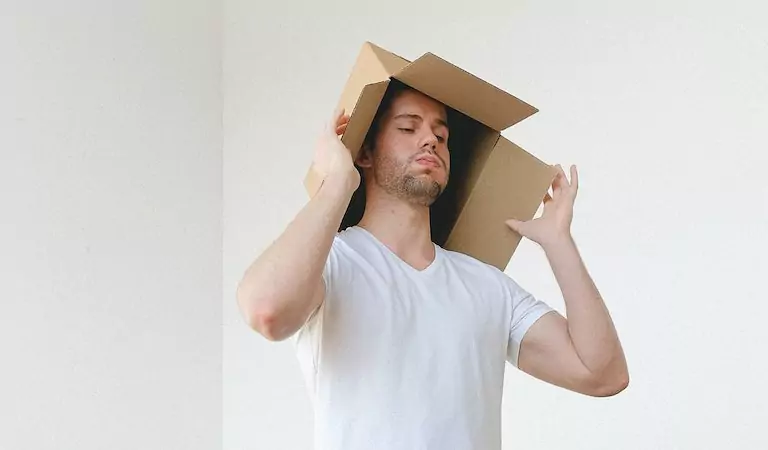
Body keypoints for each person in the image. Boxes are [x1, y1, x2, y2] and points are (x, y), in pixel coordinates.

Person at [236, 82, 629, 450]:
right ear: (365, 153)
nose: (430, 140)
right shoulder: (331, 263)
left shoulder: (487, 286)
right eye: (408, 128)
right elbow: (267, 312)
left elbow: (602, 374)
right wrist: (339, 180)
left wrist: (559, 242)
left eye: (441, 136)